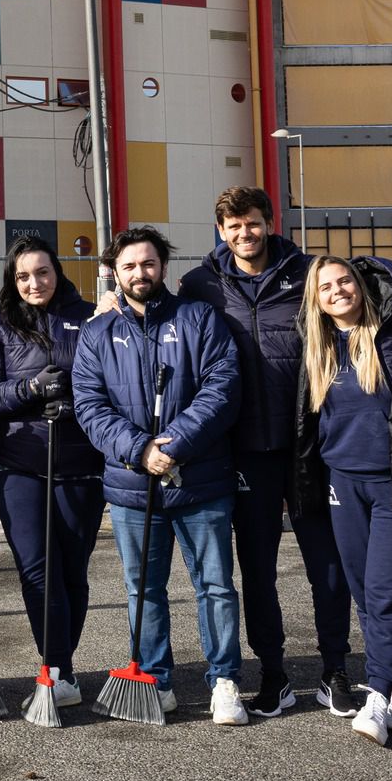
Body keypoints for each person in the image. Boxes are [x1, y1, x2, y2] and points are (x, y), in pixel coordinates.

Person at [178, 187, 353, 718]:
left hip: (309, 445)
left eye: (251, 223)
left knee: (327, 564)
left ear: (269, 223)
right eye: (232, 227)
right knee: (257, 570)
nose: (243, 234)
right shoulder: (199, 285)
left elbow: (368, 291)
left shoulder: (307, 273)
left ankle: (335, 670)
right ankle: (273, 674)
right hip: (244, 450)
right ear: (221, 231)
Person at [73, 226, 248, 725]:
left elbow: (222, 387)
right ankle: (156, 680)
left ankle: (224, 681)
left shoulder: (199, 318)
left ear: (163, 267)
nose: (139, 273)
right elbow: (90, 405)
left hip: (201, 479)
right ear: (114, 271)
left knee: (214, 585)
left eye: (147, 263)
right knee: (143, 589)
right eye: (128, 266)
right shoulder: (97, 333)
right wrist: (139, 449)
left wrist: (172, 446)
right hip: (133, 486)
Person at [292, 254, 392, 747]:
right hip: (341, 484)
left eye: (345, 280)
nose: (337, 291)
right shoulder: (318, 346)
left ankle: (378, 691)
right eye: (325, 286)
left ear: (360, 284)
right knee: (364, 593)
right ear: (316, 299)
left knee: (387, 590)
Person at [0, 235, 102, 704]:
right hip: (20, 462)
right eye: (24, 275)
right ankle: (56, 669)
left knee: (73, 571)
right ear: (13, 279)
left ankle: (61, 669)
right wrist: (31, 387)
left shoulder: (89, 317)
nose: (34, 283)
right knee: (37, 570)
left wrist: (73, 398)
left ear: (58, 271)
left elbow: (106, 379)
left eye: (42, 272)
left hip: (81, 460)